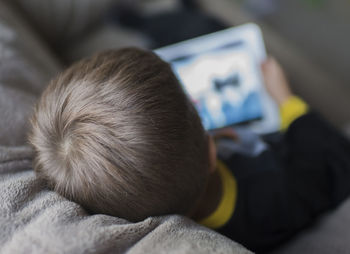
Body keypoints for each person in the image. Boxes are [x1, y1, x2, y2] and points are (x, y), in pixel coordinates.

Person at [28, 47, 350, 253]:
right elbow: (332, 160)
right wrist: (286, 101)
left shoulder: (136, 207)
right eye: (193, 106)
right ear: (211, 152)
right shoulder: (272, 193)